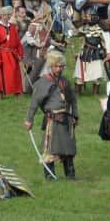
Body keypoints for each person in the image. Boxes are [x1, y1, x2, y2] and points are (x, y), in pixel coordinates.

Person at [25, 50, 78, 180]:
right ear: (51, 66)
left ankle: (70, 175)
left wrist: (75, 116)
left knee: (68, 148)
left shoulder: (65, 81)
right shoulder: (43, 82)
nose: (59, 69)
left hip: (66, 120)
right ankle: (50, 176)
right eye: (56, 66)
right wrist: (29, 120)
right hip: (52, 121)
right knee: (49, 149)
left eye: (61, 66)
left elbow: (73, 99)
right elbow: (34, 102)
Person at [0, 6, 23, 98]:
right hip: (2, 55)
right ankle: (0, 93)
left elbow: (17, 42)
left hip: (12, 55)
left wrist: (20, 53)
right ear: (1, 15)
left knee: (15, 74)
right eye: (5, 15)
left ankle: (17, 91)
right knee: (1, 75)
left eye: (9, 14)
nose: (7, 17)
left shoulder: (12, 27)